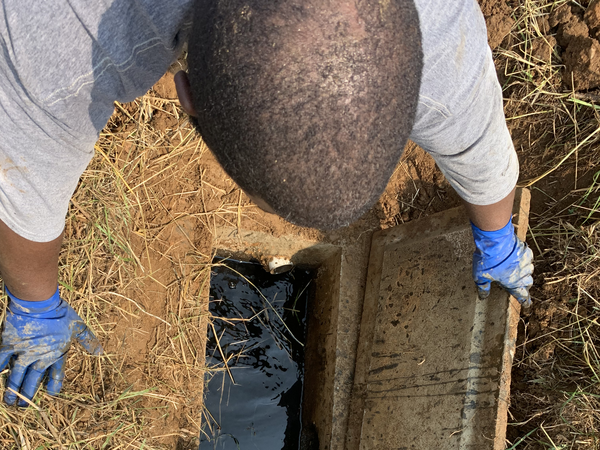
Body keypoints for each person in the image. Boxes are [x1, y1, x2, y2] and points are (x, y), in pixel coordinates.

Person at [0, 0, 533, 407]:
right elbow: (19, 177)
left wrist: (497, 237)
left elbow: (475, 143)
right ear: (187, 97)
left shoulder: (438, 39)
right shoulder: (57, 28)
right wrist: (33, 302)